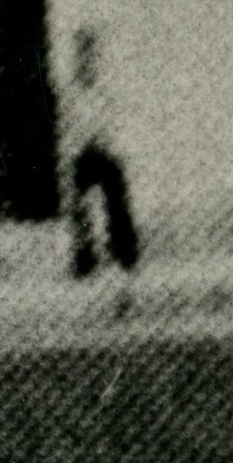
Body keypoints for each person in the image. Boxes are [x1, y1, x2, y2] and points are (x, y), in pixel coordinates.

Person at [59, 29, 142, 281]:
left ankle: (125, 253)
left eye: (90, 54)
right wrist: (76, 148)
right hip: (81, 155)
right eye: (81, 54)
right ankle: (85, 258)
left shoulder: (105, 89)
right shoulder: (70, 92)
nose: (86, 61)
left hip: (103, 152)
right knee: (77, 197)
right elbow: (67, 127)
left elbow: (113, 123)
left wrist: (104, 141)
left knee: (115, 186)